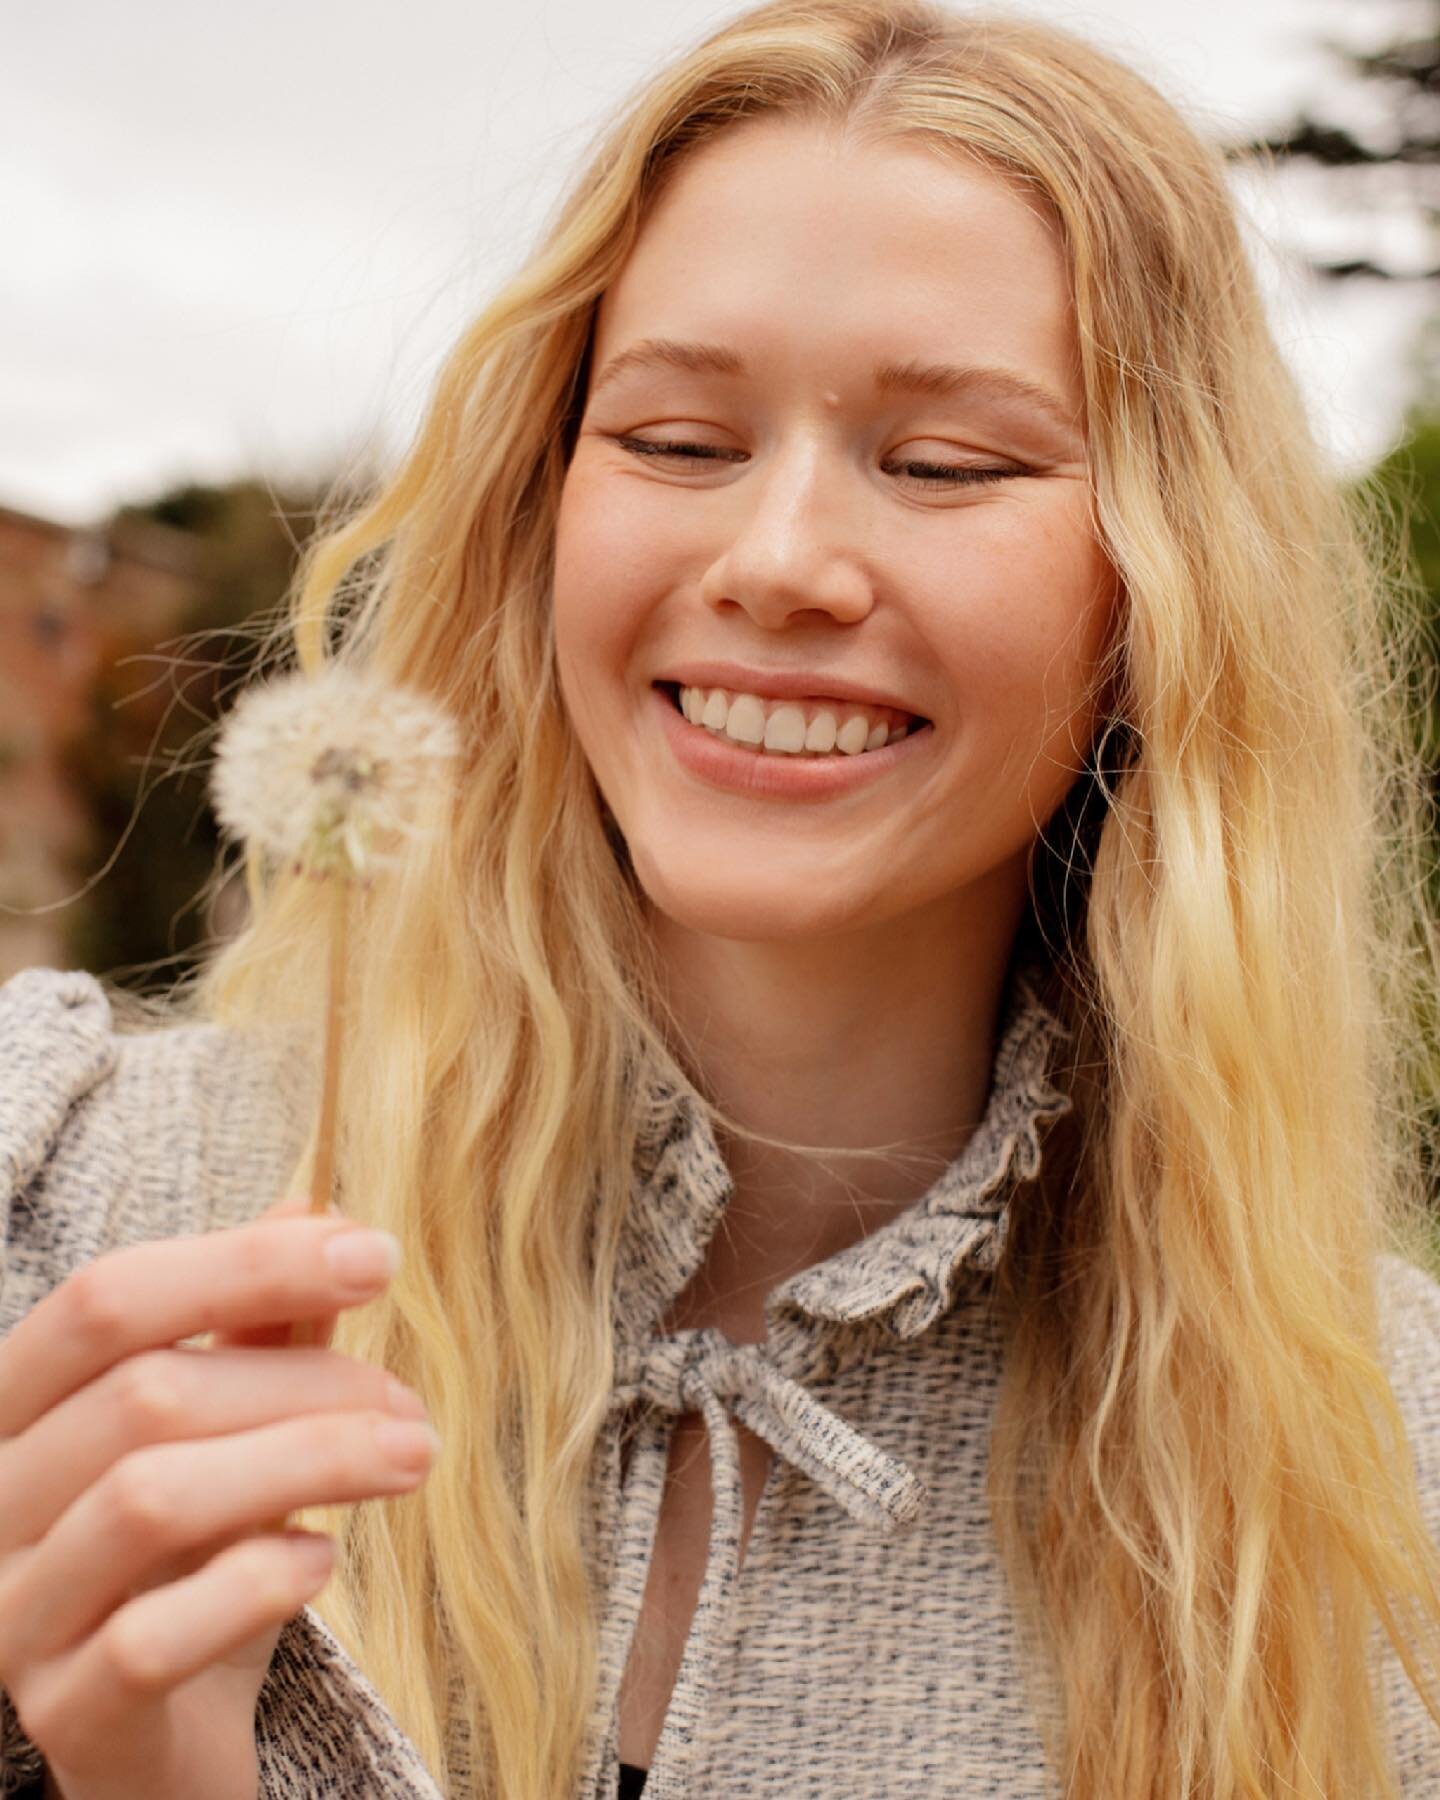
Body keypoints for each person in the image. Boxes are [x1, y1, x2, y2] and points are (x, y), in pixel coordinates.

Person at [3, 0, 1440, 1794]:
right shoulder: (57, 1213)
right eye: (679, 441)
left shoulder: (1391, 1495)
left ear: (1168, 588)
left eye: (942, 463)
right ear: (540, 509)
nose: (773, 563)